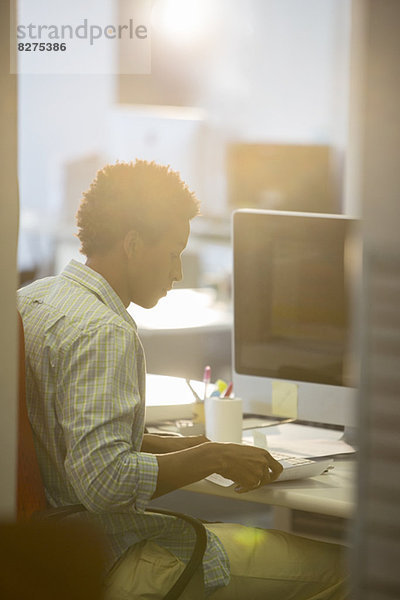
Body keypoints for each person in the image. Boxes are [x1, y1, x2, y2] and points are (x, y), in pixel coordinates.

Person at [17, 160, 349, 599]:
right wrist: (212, 457)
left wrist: (183, 446)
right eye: (174, 253)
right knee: (348, 567)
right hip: (112, 557)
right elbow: (103, 482)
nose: (177, 272)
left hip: (48, 552)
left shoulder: (34, 297)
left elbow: (67, 439)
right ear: (133, 243)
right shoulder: (105, 330)